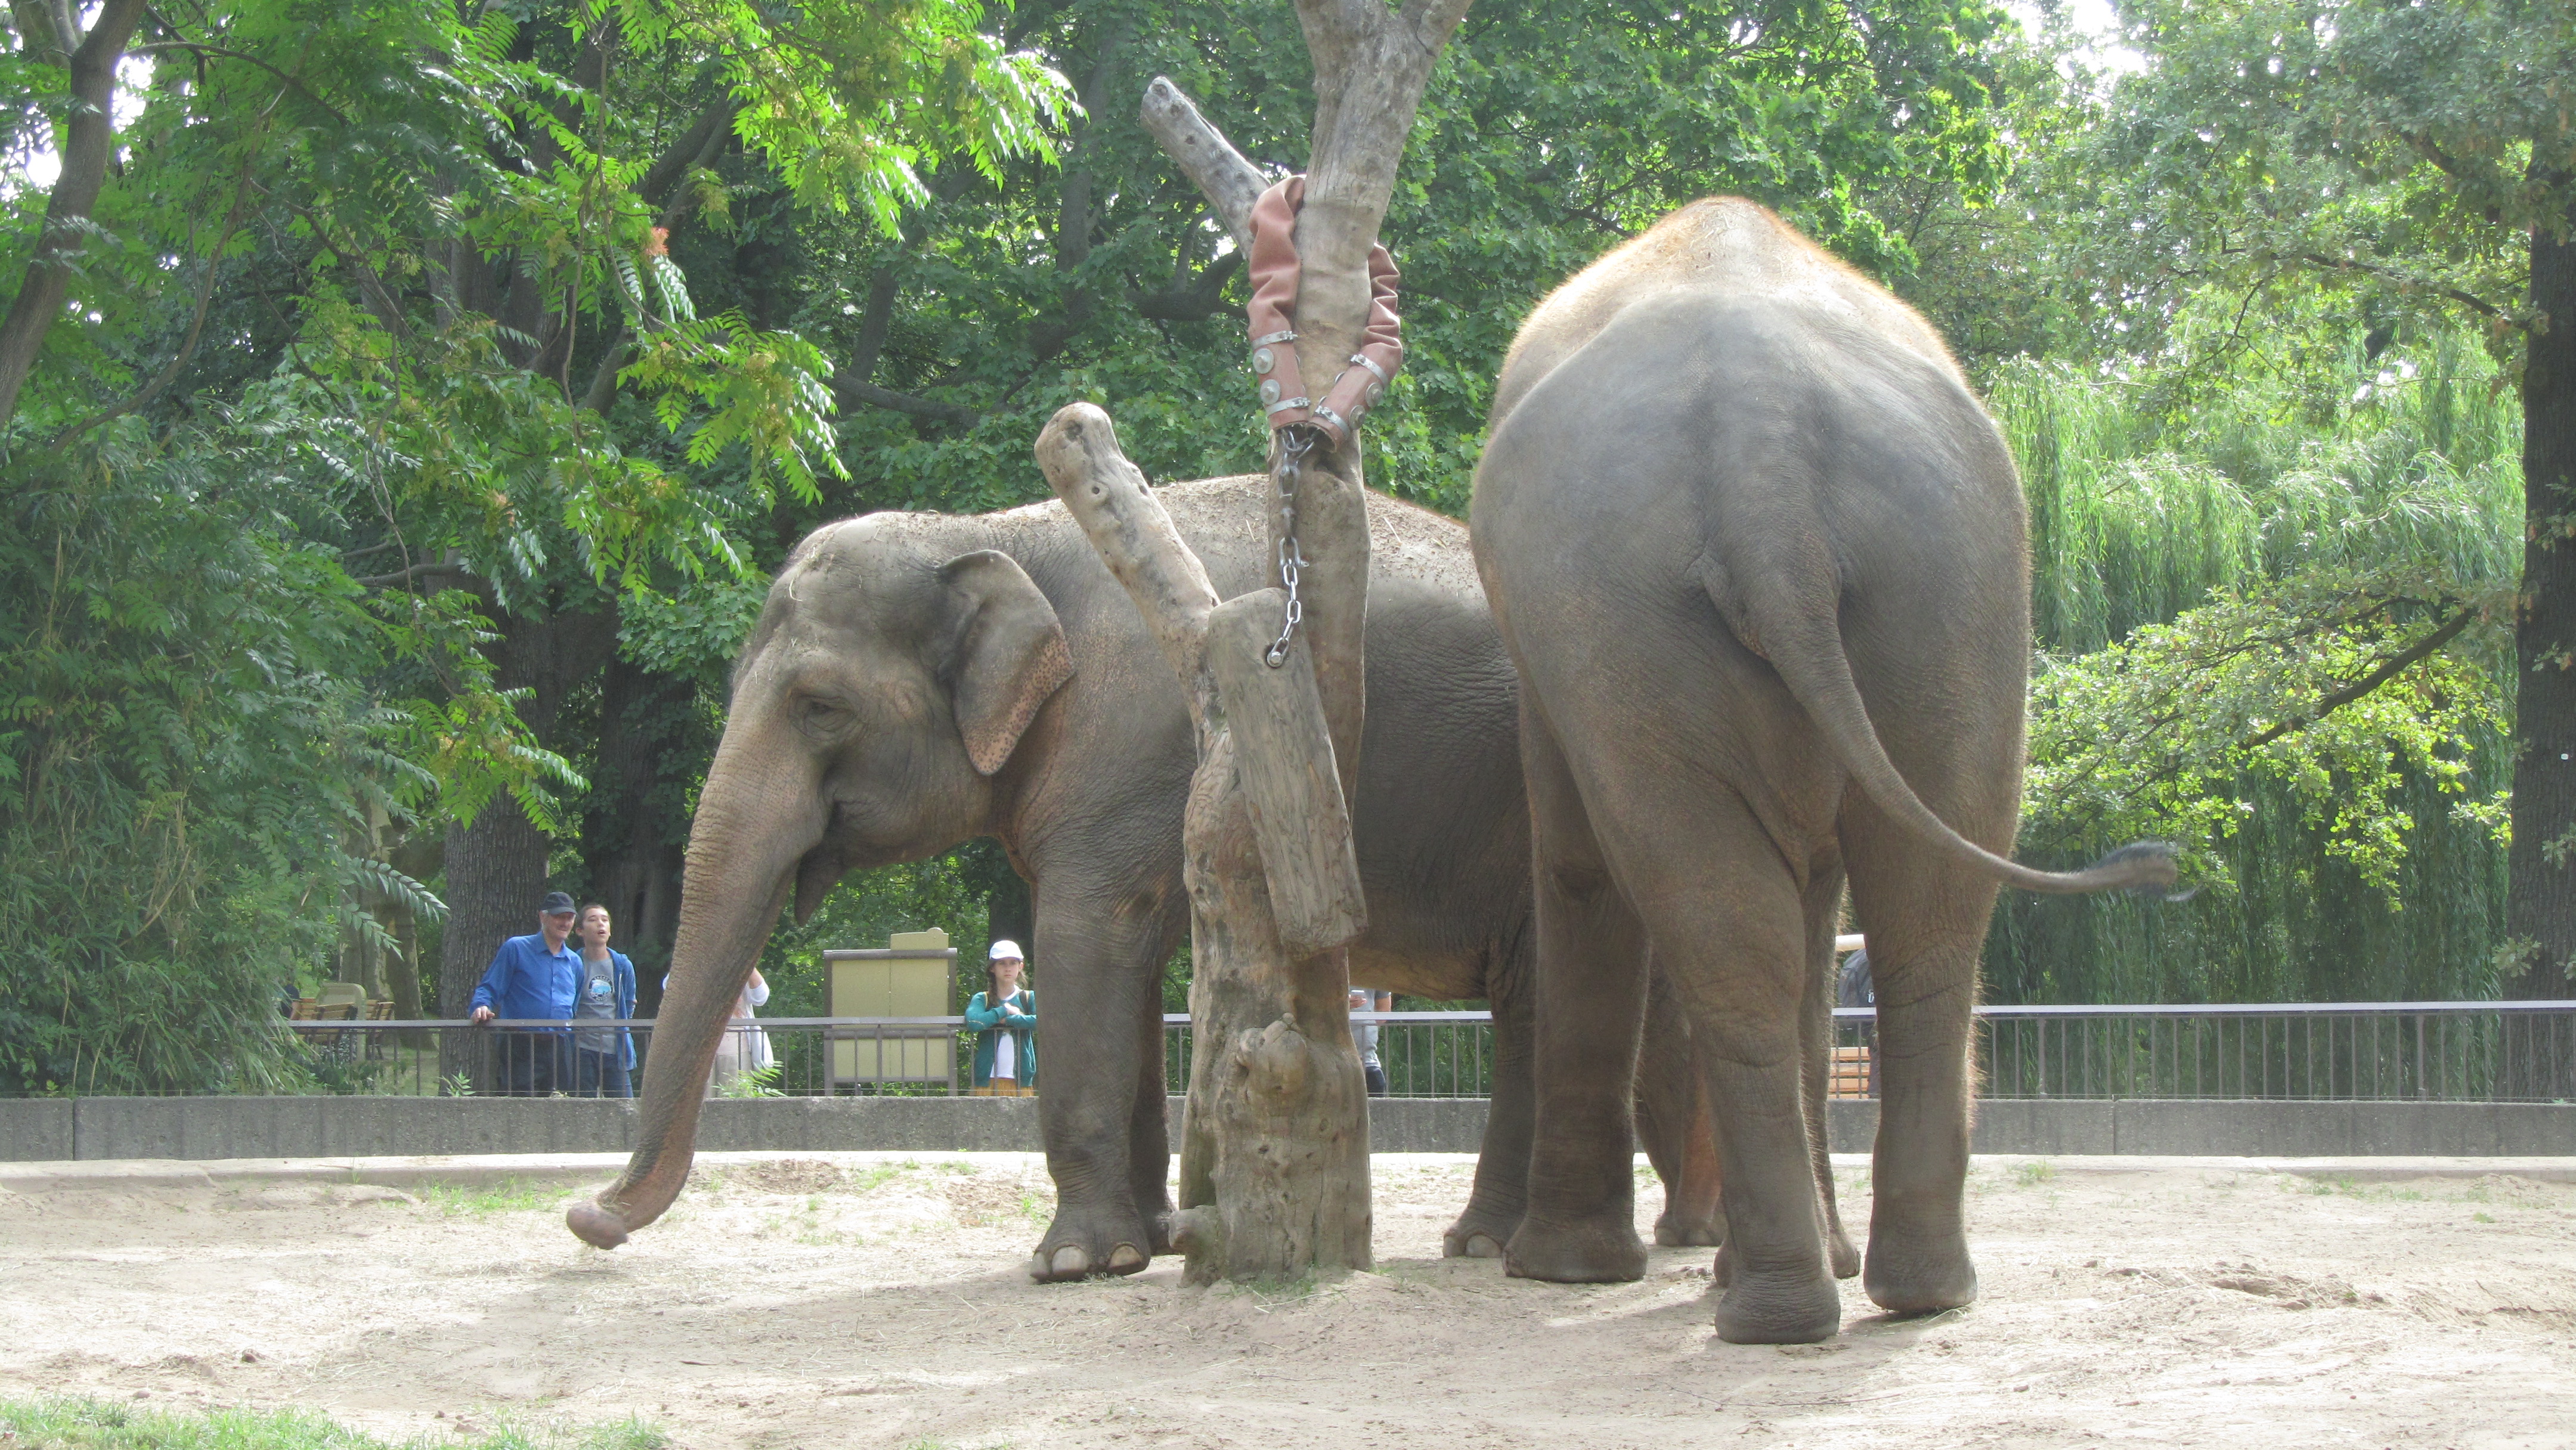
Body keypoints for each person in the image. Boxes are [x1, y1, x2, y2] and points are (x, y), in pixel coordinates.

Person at [469, 890, 582, 1095]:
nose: (565, 923)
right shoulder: (517, 948)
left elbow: (574, 1005)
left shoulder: (574, 961)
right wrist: (481, 1006)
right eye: (559, 917)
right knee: (520, 1104)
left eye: (569, 918)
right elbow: (490, 986)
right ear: (543, 917)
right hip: (521, 1043)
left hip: (559, 1045)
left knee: (561, 1106)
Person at [664, 966, 773, 1096]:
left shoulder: (739, 965)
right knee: (700, 1104)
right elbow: (669, 987)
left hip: (735, 1051)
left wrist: (748, 961)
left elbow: (761, 998)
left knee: (736, 1103)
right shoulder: (697, 963)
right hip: (699, 1051)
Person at [571, 903, 637, 1098]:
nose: (600, 924)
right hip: (581, 1048)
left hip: (615, 1048)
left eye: (605, 919)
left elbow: (629, 1002)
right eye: (593, 920)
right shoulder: (573, 962)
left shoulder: (623, 965)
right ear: (580, 931)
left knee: (623, 1109)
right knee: (583, 1109)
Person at [965, 940, 1036, 1096]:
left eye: (1012, 963)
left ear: (1020, 966)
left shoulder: (1029, 997)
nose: (1008, 968)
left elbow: (1041, 1021)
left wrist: (1009, 1021)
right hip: (986, 1081)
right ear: (992, 968)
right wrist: (1004, 1011)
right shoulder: (982, 998)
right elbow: (973, 1023)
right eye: (1002, 963)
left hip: (1021, 1081)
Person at [1351, 987, 1389, 1096]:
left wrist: (1369, 1027)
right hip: (1331, 1062)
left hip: (1368, 1061)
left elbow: (1384, 1009)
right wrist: (1341, 1004)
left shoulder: (1375, 972)